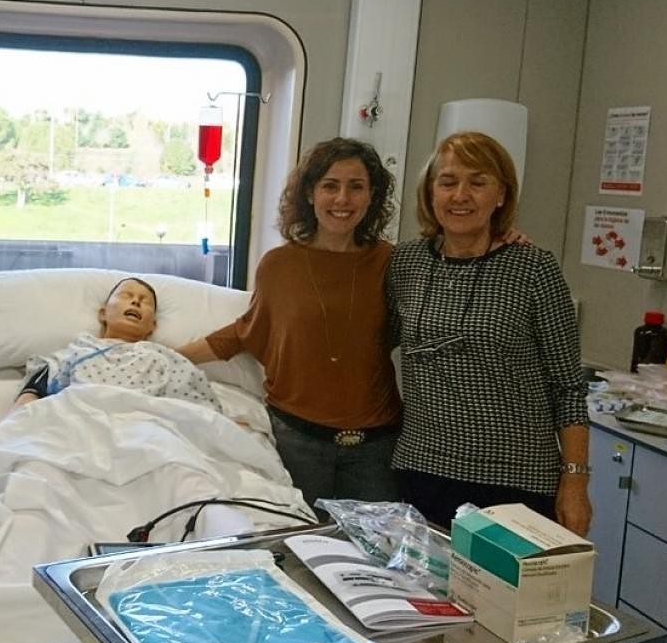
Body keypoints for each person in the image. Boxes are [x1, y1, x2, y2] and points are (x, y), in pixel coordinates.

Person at [178, 138, 402, 510]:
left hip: (376, 448)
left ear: (371, 195)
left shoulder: (393, 264)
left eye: (356, 186)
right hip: (297, 442)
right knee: (297, 541)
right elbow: (247, 331)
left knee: (375, 546)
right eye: (330, 185)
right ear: (310, 193)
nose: (342, 199)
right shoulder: (278, 266)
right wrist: (164, 355)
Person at [388, 131, 590, 536]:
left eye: (478, 183)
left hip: (517, 480)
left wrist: (575, 483)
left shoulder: (533, 268)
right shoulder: (405, 263)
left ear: (501, 195)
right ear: (430, 193)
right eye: (447, 182)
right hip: (422, 470)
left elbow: (569, 387)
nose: (460, 195)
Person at [13, 277, 221, 412]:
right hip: (80, 421)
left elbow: (199, 408)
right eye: (126, 296)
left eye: (145, 301)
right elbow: (37, 387)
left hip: (145, 430)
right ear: (103, 313)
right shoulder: (78, 351)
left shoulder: (163, 359)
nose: (136, 302)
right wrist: (26, 406)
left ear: (152, 326)